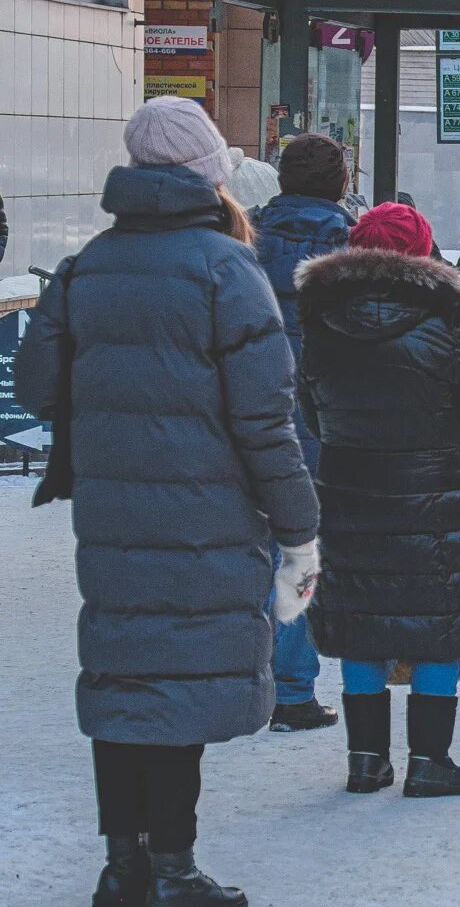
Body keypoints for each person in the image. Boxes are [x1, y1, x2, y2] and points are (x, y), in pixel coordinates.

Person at [16, 96, 319, 907]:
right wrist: (299, 525)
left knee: (125, 684)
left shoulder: (87, 265)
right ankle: (176, 872)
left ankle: (124, 869)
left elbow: (37, 385)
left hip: (113, 520)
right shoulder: (226, 268)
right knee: (179, 690)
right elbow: (265, 420)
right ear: (207, 176)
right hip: (207, 521)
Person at [295, 202, 460, 798]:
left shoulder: (322, 320)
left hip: (349, 489)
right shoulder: (449, 320)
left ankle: (366, 760)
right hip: (431, 490)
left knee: (361, 617)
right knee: (436, 620)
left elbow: (313, 412)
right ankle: (430, 761)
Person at [251, 133, 356, 734]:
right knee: (301, 551)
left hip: (251, 414)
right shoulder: (347, 244)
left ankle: (251, 679)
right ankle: (292, 689)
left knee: (253, 549)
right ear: (339, 181)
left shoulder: (244, 241)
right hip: (320, 419)